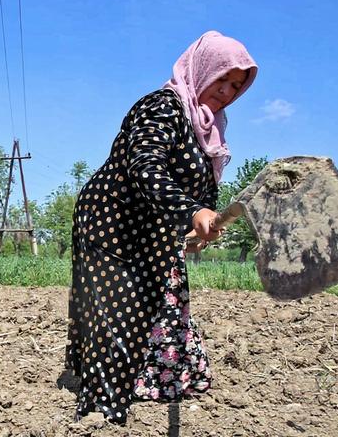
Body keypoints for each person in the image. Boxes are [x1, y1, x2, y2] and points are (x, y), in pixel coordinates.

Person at [63, 31, 258, 423]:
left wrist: (196, 227)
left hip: (153, 225)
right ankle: (102, 408)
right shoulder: (162, 106)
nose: (228, 91)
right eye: (223, 78)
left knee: (161, 301)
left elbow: (201, 190)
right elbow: (145, 167)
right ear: (204, 70)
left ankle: (148, 380)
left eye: (237, 86)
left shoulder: (209, 129)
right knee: (117, 307)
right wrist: (190, 211)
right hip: (113, 219)